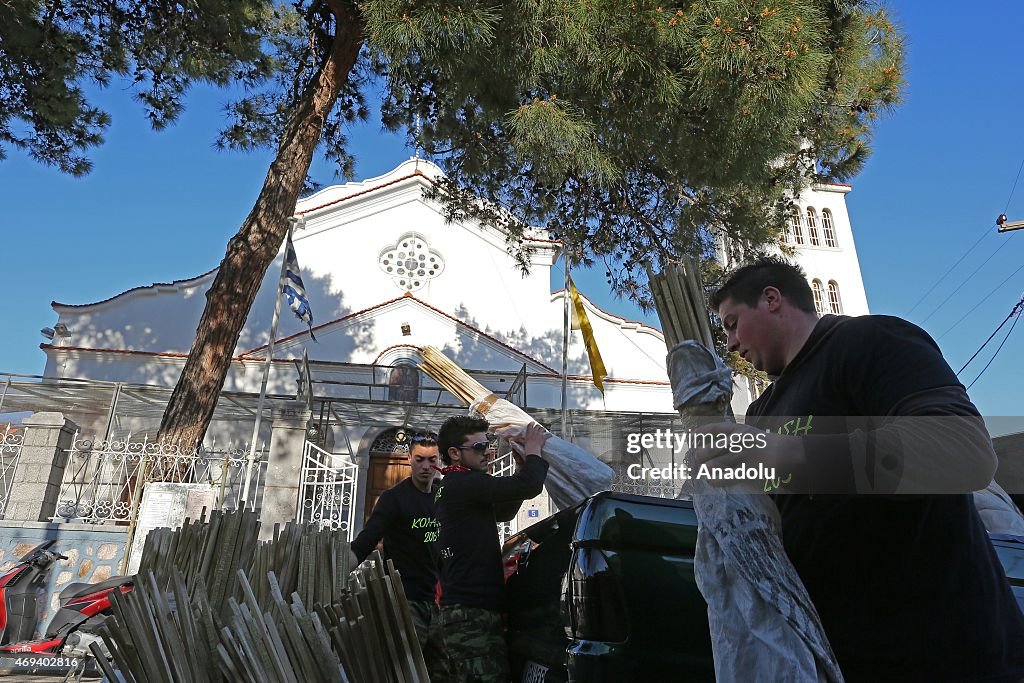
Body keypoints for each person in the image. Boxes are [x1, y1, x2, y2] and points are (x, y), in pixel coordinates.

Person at [696, 255, 1024, 681]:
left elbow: (963, 452)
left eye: (731, 323)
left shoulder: (871, 340)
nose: (731, 344)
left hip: (946, 655)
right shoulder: (762, 411)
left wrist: (789, 453)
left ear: (771, 299)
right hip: (840, 660)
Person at [434, 415, 549, 683]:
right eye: (478, 447)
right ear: (454, 454)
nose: (486, 451)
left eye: (487, 445)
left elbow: (505, 511)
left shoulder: (457, 486)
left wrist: (523, 469)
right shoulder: (463, 483)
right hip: (470, 612)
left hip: (471, 609)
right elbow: (530, 485)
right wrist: (534, 450)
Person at [350, 432, 451, 682]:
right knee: (405, 670)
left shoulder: (444, 496)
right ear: (408, 459)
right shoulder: (394, 499)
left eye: (432, 459)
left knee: (443, 671)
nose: (426, 466)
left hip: (439, 602)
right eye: (419, 459)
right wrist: (341, 568)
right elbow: (366, 541)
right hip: (405, 600)